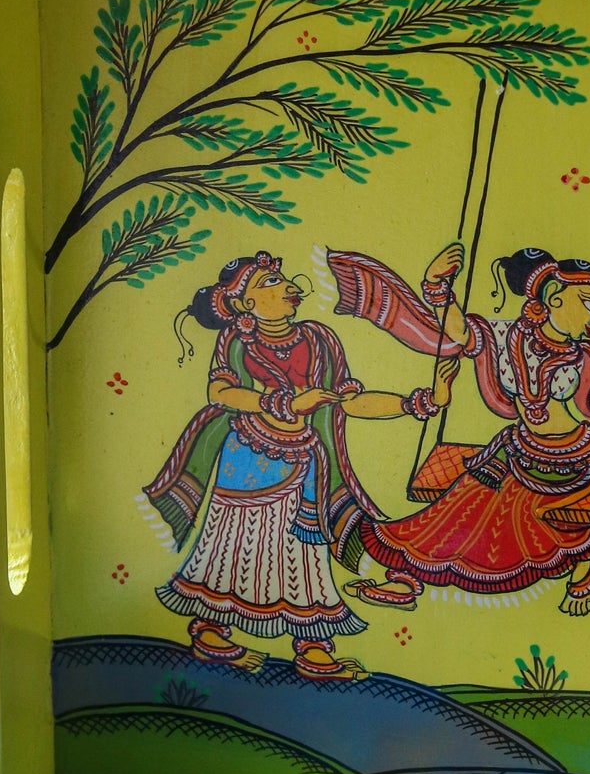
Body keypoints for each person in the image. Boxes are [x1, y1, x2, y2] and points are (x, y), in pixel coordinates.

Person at [324, 241, 590, 615]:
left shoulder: (585, 358)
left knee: (522, 515)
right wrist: (439, 289)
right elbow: (455, 334)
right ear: (557, 296)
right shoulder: (503, 337)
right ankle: (407, 580)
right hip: (515, 449)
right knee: (455, 504)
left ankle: (582, 566)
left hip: (569, 455)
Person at [142, 252, 457, 679]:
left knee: (303, 553)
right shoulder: (239, 340)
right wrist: (284, 403)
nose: (288, 286)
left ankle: (312, 647)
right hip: (247, 455)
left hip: (306, 457)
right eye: (270, 283)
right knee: (235, 543)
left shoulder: (320, 339)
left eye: (282, 278)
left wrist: (418, 402)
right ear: (245, 304)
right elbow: (221, 392)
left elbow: (349, 402)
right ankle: (212, 628)